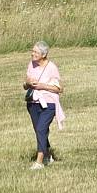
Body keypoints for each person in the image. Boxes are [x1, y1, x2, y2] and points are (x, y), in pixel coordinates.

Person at [23, 41, 65, 170]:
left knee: (41, 129)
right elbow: (25, 85)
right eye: (32, 51)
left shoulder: (51, 67)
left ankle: (39, 162)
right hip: (32, 103)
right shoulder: (31, 65)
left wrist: (42, 86)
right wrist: (28, 83)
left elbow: (59, 89)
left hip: (49, 103)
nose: (32, 54)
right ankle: (47, 155)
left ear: (43, 54)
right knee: (39, 131)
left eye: (35, 52)